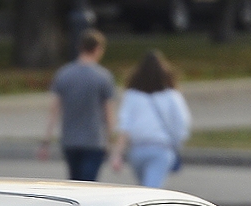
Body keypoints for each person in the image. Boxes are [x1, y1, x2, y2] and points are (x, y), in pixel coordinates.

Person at [39, 29, 116, 182]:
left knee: (74, 182)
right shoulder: (103, 77)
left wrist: (46, 140)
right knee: (89, 183)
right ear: (98, 49)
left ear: (80, 47)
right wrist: (111, 140)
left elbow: (54, 110)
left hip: (70, 140)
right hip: (94, 140)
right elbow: (108, 113)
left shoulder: (64, 74)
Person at [108, 50, 191, 189]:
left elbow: (125, 126)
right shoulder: (172, 96)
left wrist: (117, 154)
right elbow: (181, 123)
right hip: (161, 149)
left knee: (144, 188)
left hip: (137, 150)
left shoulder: (132, 95)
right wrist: (176, 143)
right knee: (152, 188)